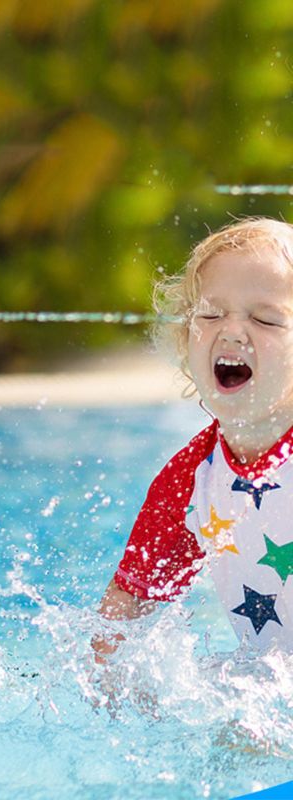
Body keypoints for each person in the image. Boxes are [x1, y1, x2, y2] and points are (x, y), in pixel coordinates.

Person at [96, 216, 293, 657]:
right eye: (210, 313)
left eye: (265, 319)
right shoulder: (194, 480)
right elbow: (121, 619)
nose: (232, 330)